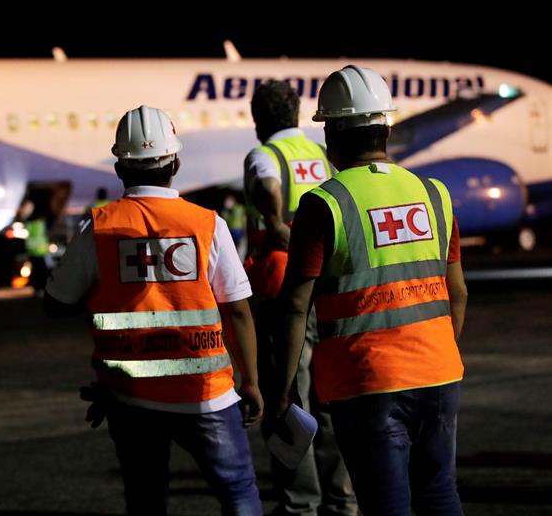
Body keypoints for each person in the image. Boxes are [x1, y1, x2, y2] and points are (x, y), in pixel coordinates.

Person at [45, 105, 264, 516]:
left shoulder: (100, 227)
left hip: (131, 395)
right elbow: (237, 310)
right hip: (206, 392)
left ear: (119, 167)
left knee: (146, 499)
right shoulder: (207, 223)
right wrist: (250, 381)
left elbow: (56, 303)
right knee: (238, 492)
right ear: (175, 162)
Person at [271, 66, 467, 515]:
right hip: (439, 374)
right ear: (387, 128)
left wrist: (284, 390)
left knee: (385, 506)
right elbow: (458, 293)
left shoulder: (324, 204)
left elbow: (295, 307)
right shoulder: (433, 193)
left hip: (367, 383)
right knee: (440, 497)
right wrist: (439, 349)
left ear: (333, 135)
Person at [243, 81, 354, 516]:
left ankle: (299, 504)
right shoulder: (319, 156)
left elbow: (269, 187)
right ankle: (342, 501)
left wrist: (275, 222)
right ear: (295, 114)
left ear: (258, 120)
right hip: (325, 284)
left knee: (288, 397)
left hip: (280, 284)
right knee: (329, 398)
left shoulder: (264, 155)